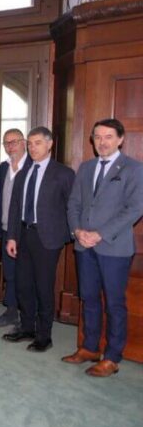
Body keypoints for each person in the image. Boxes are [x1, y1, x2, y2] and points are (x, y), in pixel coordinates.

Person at [64, 119, 143, 376]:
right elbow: (74, 203)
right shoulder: (86, 167)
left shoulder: (134, 168)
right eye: (97, 137)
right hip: (83, 245)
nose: (102, 142)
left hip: (114, 248)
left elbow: (135, 208)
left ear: (120, 139)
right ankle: (89, 347)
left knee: (114, 303)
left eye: (108, 137)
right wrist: (77, 231)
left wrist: (100, 234)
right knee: (88, 298)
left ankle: (112, 356)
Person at [4, 127, 75, 352]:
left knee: (43, 287)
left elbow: (72, 207)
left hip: (47, 239)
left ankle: (44, 336)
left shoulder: (63, 173)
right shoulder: (23, 173)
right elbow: (15, 208)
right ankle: (27, 328)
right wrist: (11, 237)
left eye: (38, 143)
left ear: (49, 144)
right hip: (23, 235)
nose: (33, 148)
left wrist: (68, 235)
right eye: (30, 143)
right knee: (23, 285)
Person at [0, 129, 31, 328]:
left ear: (24, 143)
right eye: (6, 143)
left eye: (14, 142)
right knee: (10, 273)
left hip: (27, 230)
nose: (10, 146)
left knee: (26, 275)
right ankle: (12, 311)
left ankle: (28, 315)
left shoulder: (32, 166)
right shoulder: (3, 167)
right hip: (7, 229)